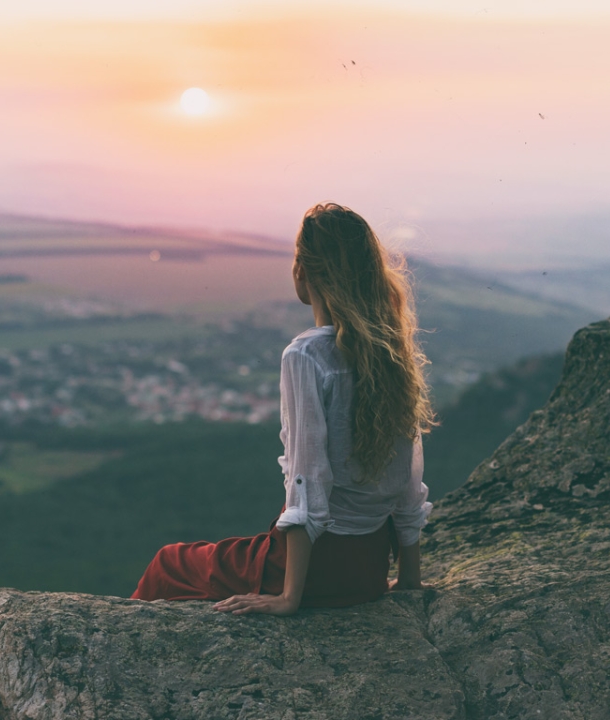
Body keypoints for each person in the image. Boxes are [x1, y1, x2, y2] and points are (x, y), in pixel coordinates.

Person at [131, 203, 435, 615]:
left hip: (315, 569)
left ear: (302, 272)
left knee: (170, 564)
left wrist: (289, 597)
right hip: (369, 569)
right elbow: (407, 482)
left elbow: (308, 482)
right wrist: (410, 578)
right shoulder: (389, 354)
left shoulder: (307, 355)